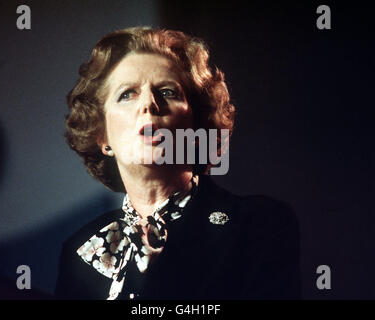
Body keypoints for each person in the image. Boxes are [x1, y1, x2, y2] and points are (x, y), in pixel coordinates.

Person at [55, 27, 301, 300]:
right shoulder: (81, 250)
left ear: (197, 127)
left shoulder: (259, 226)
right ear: (102, 136)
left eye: (168, 92)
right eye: (127, 94)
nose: (149, 104)